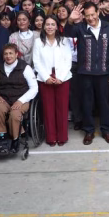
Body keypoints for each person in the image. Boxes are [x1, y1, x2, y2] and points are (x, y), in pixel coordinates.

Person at [66, 2, 109, 146]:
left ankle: (106, 130)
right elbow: (67, 33)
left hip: (103, 72)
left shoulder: (107, 27)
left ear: (98, 13)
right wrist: (70, 20)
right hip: (85, 73)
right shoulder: (80, 27)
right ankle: (89, 131)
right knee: (87, 103)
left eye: (93, 14)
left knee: (104, 103)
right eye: (87, 15)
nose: (90, 18)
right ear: (84, 16)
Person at [0, 43, 38, 154]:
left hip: (21, 99)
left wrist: (20, 101)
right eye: (6, 54)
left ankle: (15, 140)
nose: (8, 56)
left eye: (11, 53)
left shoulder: (25, 68)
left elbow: (34, 88)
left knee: (14, 114)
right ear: (3, 56)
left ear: (16, 54)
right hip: (3, 100)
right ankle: (1, 139)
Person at [32, 15, 73, 146]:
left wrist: (61, 77)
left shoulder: (64, 41)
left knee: (62, 108)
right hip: (45, 78)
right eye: (47, 24)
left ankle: (62, 136)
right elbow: (36, 62)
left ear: (57, 27)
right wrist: (46, 77)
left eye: (52, 24)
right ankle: (51, 137)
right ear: (44, 26)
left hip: (62, 77)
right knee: (48, 108)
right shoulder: (38, 42)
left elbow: (68, 60)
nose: (50, 27)